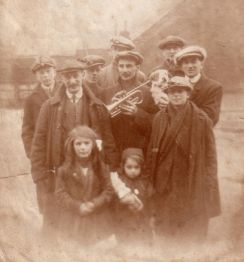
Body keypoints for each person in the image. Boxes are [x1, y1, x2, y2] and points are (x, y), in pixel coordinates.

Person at [30, 59, 119, 233]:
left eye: (75, 76)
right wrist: (39, 173)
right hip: (60, 169)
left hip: (90, 172)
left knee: (89, 223)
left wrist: (112, 168)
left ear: (83, 76)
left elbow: (108, 140)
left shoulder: (97, 106)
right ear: (61, 78)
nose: (71, 81)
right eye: (67, 77)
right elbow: (39, 141)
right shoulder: (49, 107)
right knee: (57, 224)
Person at [147, 76, 221, 242]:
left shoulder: (202, 120)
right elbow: (152, 152)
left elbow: (210, 156)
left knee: (191, 232)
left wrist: (208, 182)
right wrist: (150, 181)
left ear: (188, 93)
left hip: (191, 179)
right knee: (166, 231)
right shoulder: (159, 118)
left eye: (180, 91)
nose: (176, 95)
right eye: (172, 92)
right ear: (167, 94)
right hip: (164, 180)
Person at [55, 125, 114, 245]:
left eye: (87, 143)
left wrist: (94, 203)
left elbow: (109, 190)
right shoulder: (64, 170)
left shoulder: (101, 167)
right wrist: (78, 206)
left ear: (93, 145)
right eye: (78, 144)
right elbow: (60, 194)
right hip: (73, 220)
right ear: (72, 146)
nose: (83, 148)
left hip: (98, 219)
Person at [100, 50, 154, 155]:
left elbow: (155, 123)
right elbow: (100, 123)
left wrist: (137, 113)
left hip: (139, 149)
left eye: (129, 66)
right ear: (117, 67)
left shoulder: (147, 92)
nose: (124, 70)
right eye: (121, 66)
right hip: (114, 148)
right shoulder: (106, 92)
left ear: (137, 68)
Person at [22, 56, 60, 158]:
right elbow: (27, 129)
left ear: (55, 72)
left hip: (63, 145)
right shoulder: (31, 99)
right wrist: (31, 151)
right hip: (43, 148)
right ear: (36, 76)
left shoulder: (64, 91)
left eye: (48, 71)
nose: (45, 75)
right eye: (41, 73)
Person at [174, 45, 223, 125]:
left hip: (200, 134)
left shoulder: (213, 87)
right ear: (181, 67)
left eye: (193, 62)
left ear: (201, 65)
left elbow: (211, 117)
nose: (190, 66)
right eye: (186, 63)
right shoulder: (173, 85)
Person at [112, 148, 151, 247]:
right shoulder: (120, 183)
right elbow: (114, 200)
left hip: (142, 219)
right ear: (123, 166)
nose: (133, 171)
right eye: (129, 167)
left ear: (141, 167)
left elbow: (150, 200)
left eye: (136, 167)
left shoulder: (145, 182)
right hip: (124, 220)